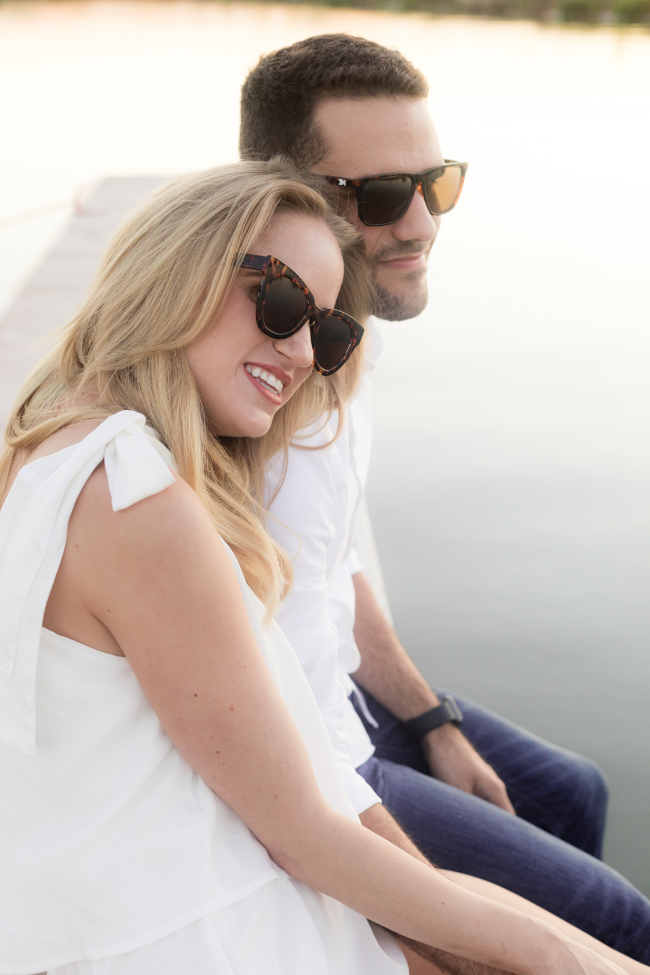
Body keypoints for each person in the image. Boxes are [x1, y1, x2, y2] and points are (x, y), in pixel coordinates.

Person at [0, 160, 644, 975]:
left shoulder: (49, 443)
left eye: (331, 331)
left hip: (135, 892)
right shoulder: (140, 500)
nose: (303, 350)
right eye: (282, 303)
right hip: (196, 928)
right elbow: (303, 833)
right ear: (181, 270)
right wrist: (547, 953)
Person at [239, 33, 650, 963]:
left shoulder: (344, 343)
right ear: (286, 195)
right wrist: (416, 905)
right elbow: (276, 739)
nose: (423, 223)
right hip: (309, 750)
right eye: (385, 195)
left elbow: (334, 569)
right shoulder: (255, 393)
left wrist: (432, 720)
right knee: (618, 923)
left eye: (438, 183)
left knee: (571, 790)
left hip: (343, 698)